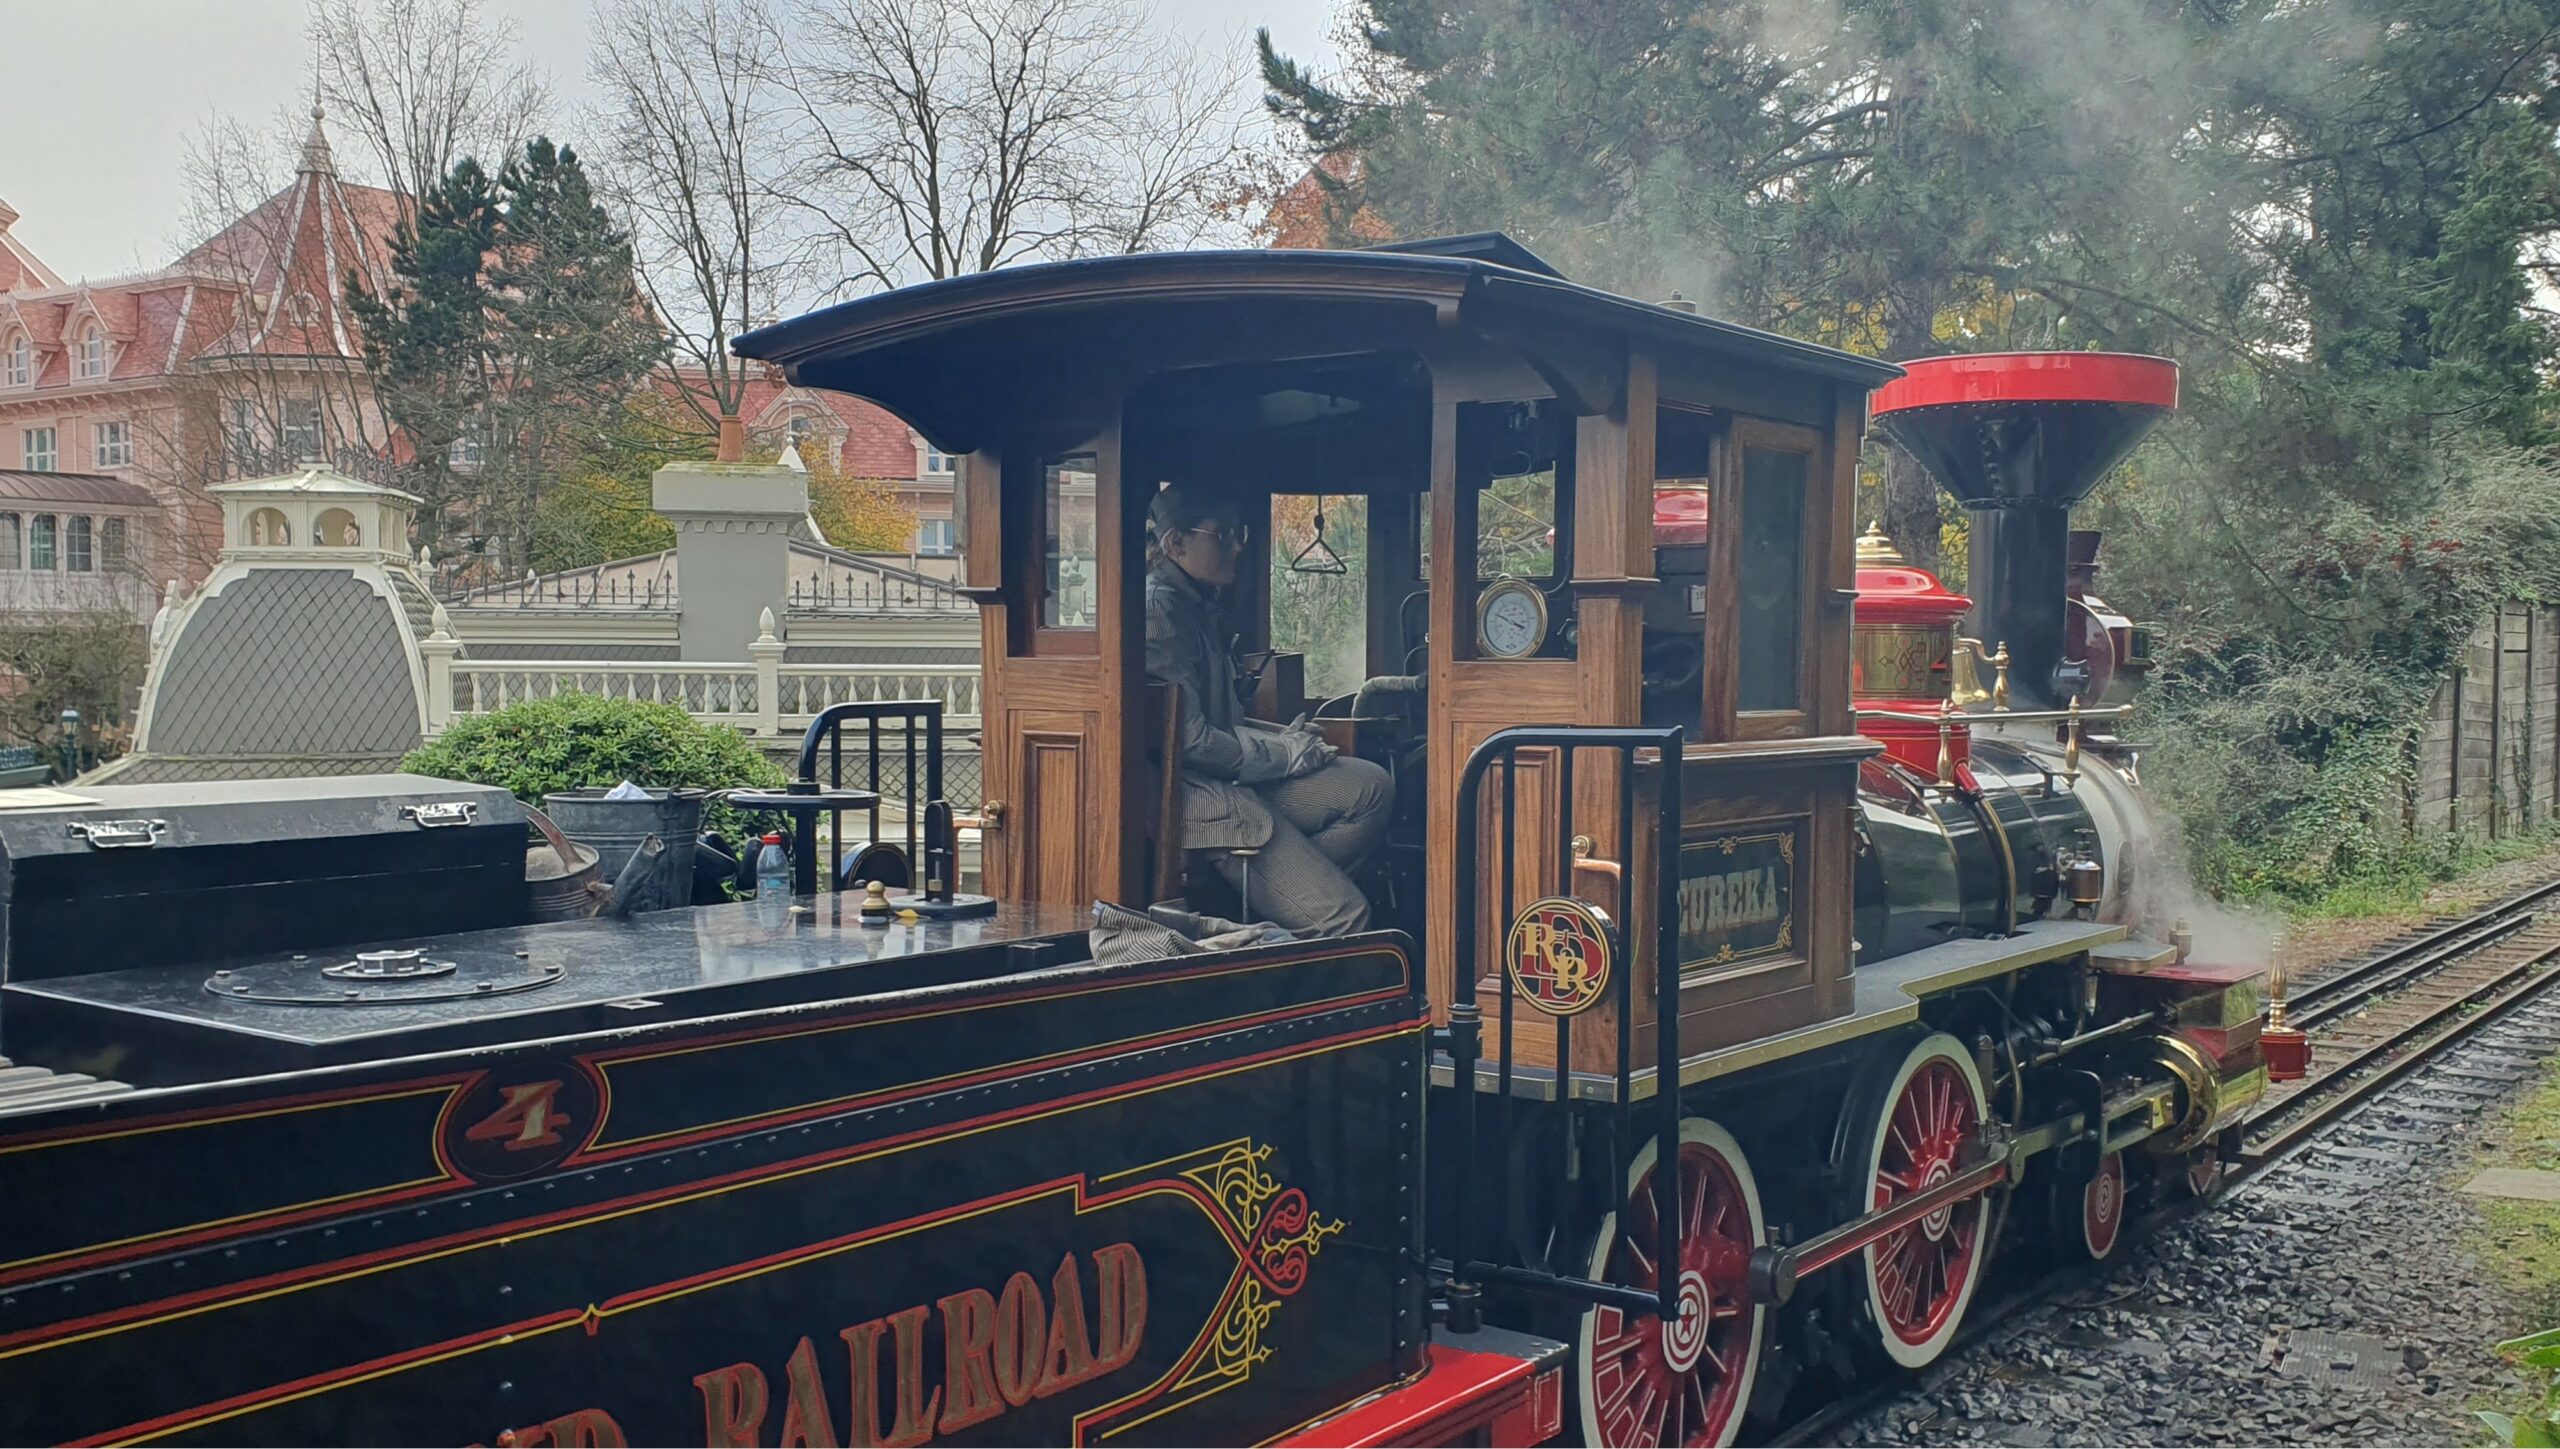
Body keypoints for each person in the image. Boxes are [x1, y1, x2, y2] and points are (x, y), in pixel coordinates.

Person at [1144, 484, 1393, 936]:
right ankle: (1301, 913)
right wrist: (1285, 755)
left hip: (1229, 779)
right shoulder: (1161, 610)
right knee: (1347, 917)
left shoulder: (1196, 605)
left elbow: (1224, 721)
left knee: (1370, 786)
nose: (1237, 546)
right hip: (1200, 800)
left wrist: (1286, 741)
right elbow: (1190, 739)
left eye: (1237, 533)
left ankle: (1278, 900)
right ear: (1176, 543)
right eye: (1222, 535)